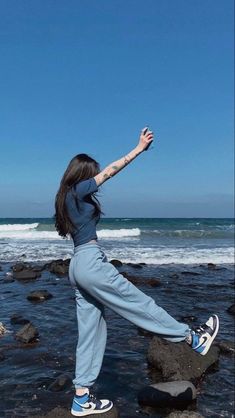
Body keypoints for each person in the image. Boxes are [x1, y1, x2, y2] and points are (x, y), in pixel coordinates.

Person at [54, 127, 219, 417]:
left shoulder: (66, 198)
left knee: (91, 332)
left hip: (77, 265)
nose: (96, 178)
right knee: (139, 304)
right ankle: (193, 338)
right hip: (91, 262)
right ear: (81, 174)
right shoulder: (79, 190)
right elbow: (110, 171)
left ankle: (82, 397)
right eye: (91, 173)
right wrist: (138, 150)